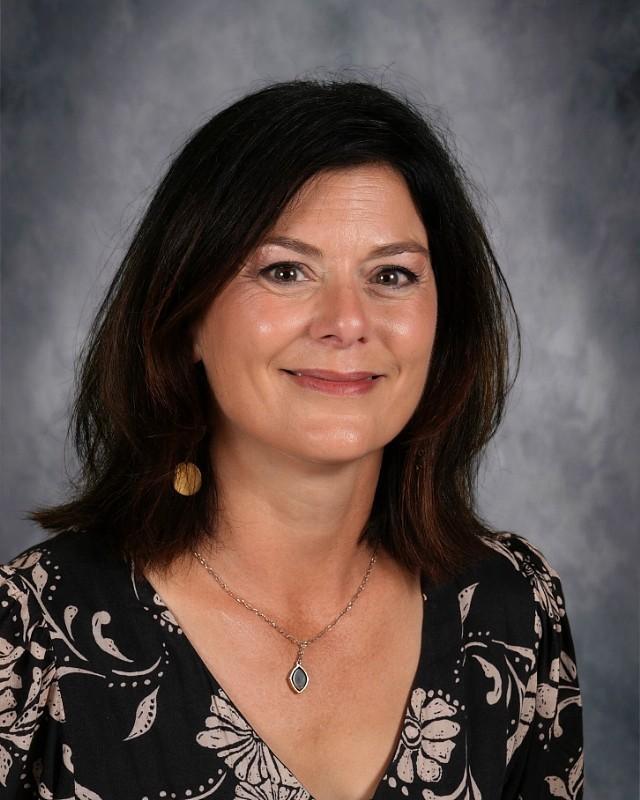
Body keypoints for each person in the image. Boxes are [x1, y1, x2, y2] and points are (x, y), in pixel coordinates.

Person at [0, 77, 584, 799]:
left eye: (393, 274)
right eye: (285, 270)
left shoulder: (515, 610)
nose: (346, 320)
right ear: (184, 316)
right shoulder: (29, 634)